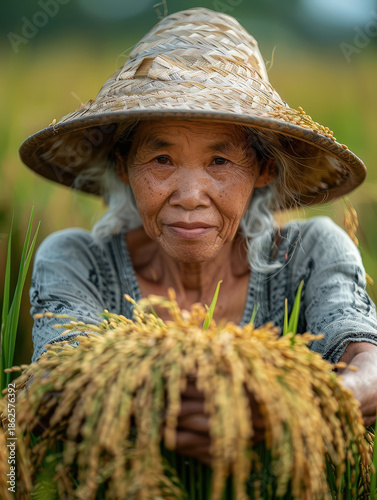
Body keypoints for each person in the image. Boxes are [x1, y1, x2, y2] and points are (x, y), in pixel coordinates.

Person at [20, 7, 377, 466]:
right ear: (123, 167)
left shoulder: (309, 255)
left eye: (220, 162)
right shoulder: (77, 263)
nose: (190, 197)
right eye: (162, 159)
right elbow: (55, 382)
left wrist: (293, 408)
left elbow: (368, 366)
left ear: (264, 169)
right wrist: (170, 409)